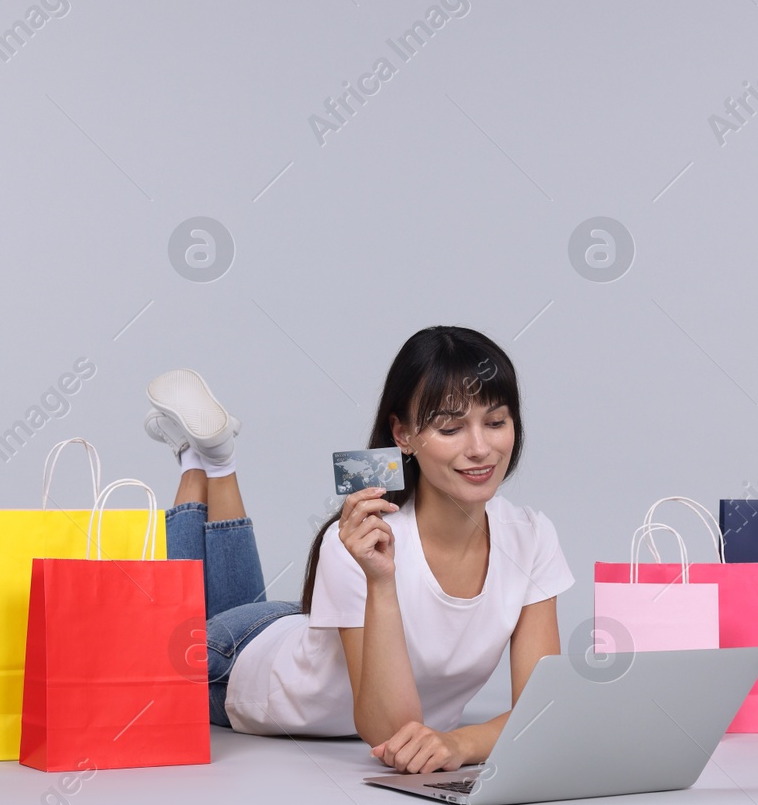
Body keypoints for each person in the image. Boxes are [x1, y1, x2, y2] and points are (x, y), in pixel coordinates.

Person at [144, 326, 574, 775]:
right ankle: (202, 465)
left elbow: (542, 714)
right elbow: (393, 731)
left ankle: (213, 458)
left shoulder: (531, 536)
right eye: (451, 428)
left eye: (496, 422)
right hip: (237, 661)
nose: (480, 448)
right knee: (181, 628)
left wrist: (460, 743)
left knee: (239, 605)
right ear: (402, 435)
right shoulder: (360, 544)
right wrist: (380, 581)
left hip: (308, 625)